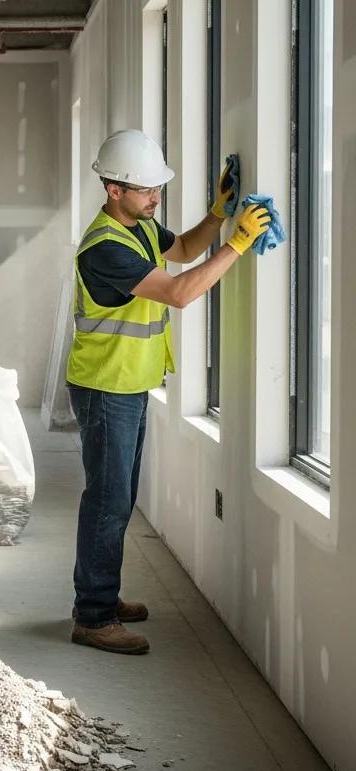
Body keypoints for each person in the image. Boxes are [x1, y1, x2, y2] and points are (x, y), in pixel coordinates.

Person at [67, 129, 270, 655]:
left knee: (119, 498)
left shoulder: (137, 227)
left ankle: (103, 600)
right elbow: (180, 292)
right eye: (147, 189)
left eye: (158, 187)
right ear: (114, 190)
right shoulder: (105, 248)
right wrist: (239, 244)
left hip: (127, 385)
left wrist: (218, 214)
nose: (156, 196)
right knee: (108, 502)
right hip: (105, 387)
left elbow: (180, 249)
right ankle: (92, 615)